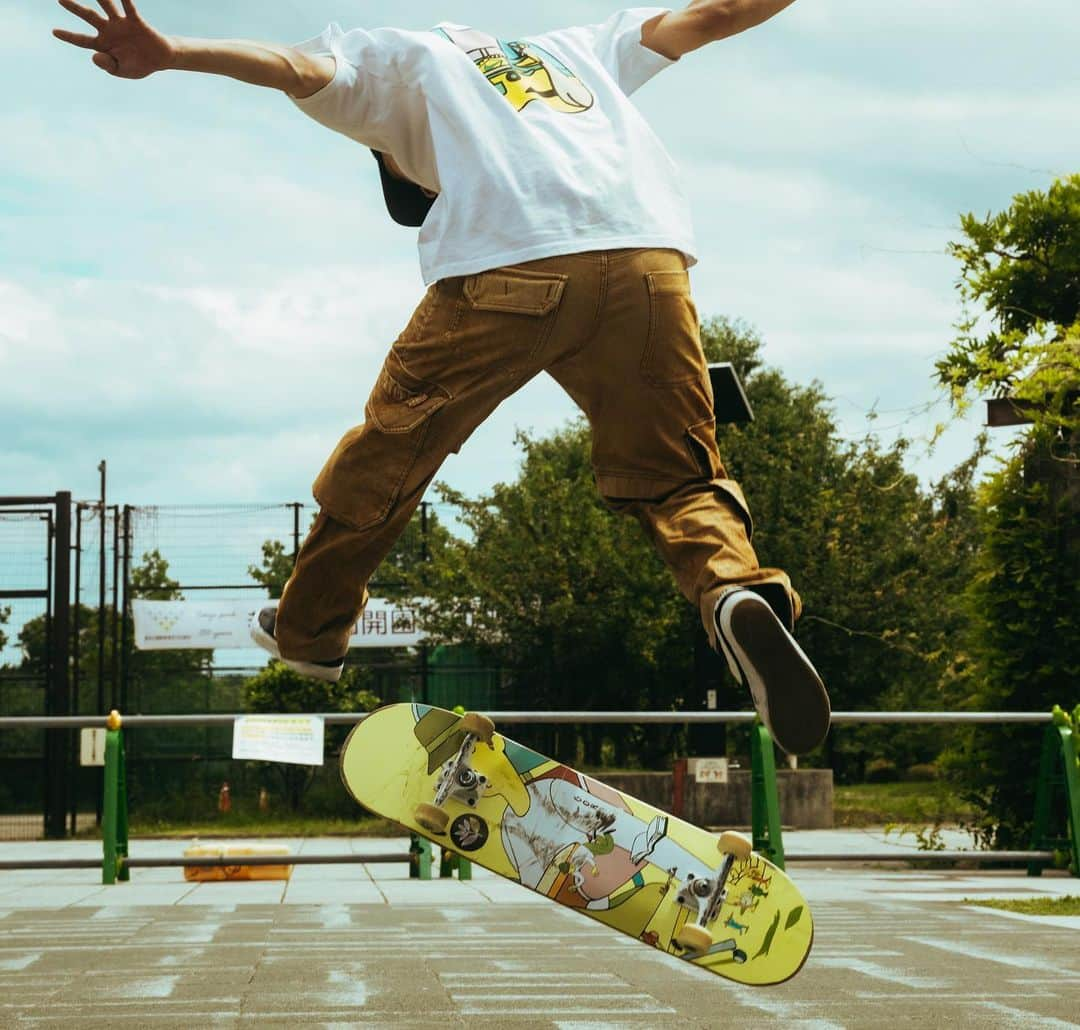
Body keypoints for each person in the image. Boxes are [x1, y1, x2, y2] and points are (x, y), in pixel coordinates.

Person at [55, 0, 831, 754]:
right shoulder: (583, 47)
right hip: (648, 265)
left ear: (389, 158)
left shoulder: (393, 72)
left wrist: (173, 52)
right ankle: (735, 590)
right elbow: (718, 12)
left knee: (388, 453)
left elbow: (290, 65)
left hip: (507, 268)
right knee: (677, 473)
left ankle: (308, 630)